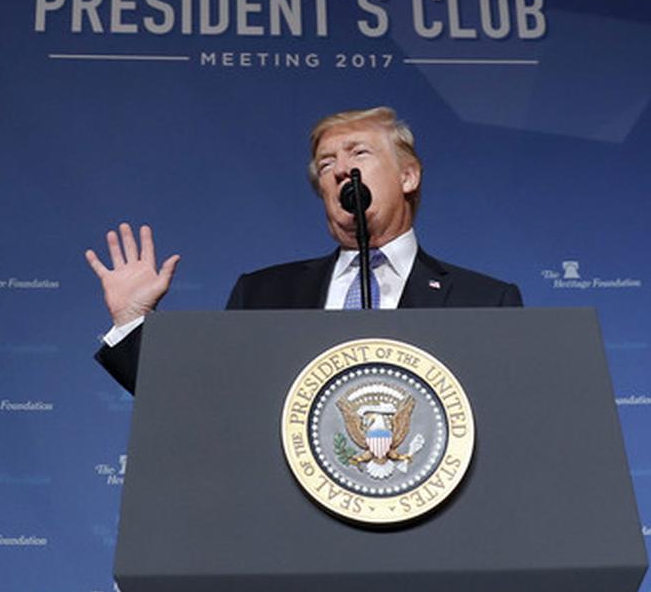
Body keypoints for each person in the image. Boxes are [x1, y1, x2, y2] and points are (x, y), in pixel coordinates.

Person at [86, 106, 522, 392]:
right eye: (326, 164)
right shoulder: (262, 295)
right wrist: (131, 321)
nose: (340, 170)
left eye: (359, 153)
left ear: (408, 177)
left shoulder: (483, 301)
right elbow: (203, 404)